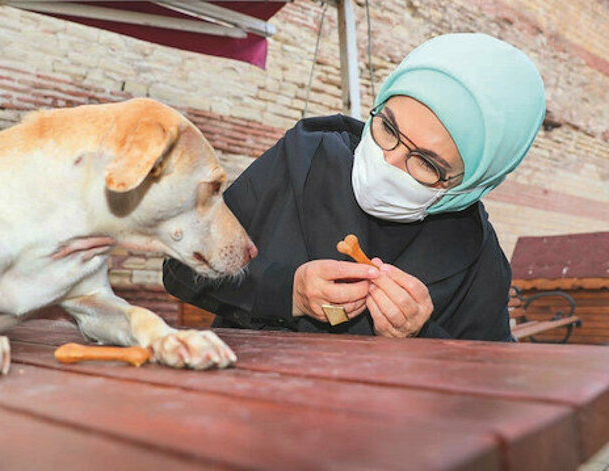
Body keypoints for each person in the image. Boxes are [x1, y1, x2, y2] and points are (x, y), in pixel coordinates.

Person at [162, 33, 546, 340]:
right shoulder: (301, 159)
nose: (389, 161)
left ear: (470, 185)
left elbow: (490, 379)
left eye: (427, 163)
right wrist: (288, 292)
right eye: (388, 127)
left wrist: (423, 336)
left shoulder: (475, 254)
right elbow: (180, 268)